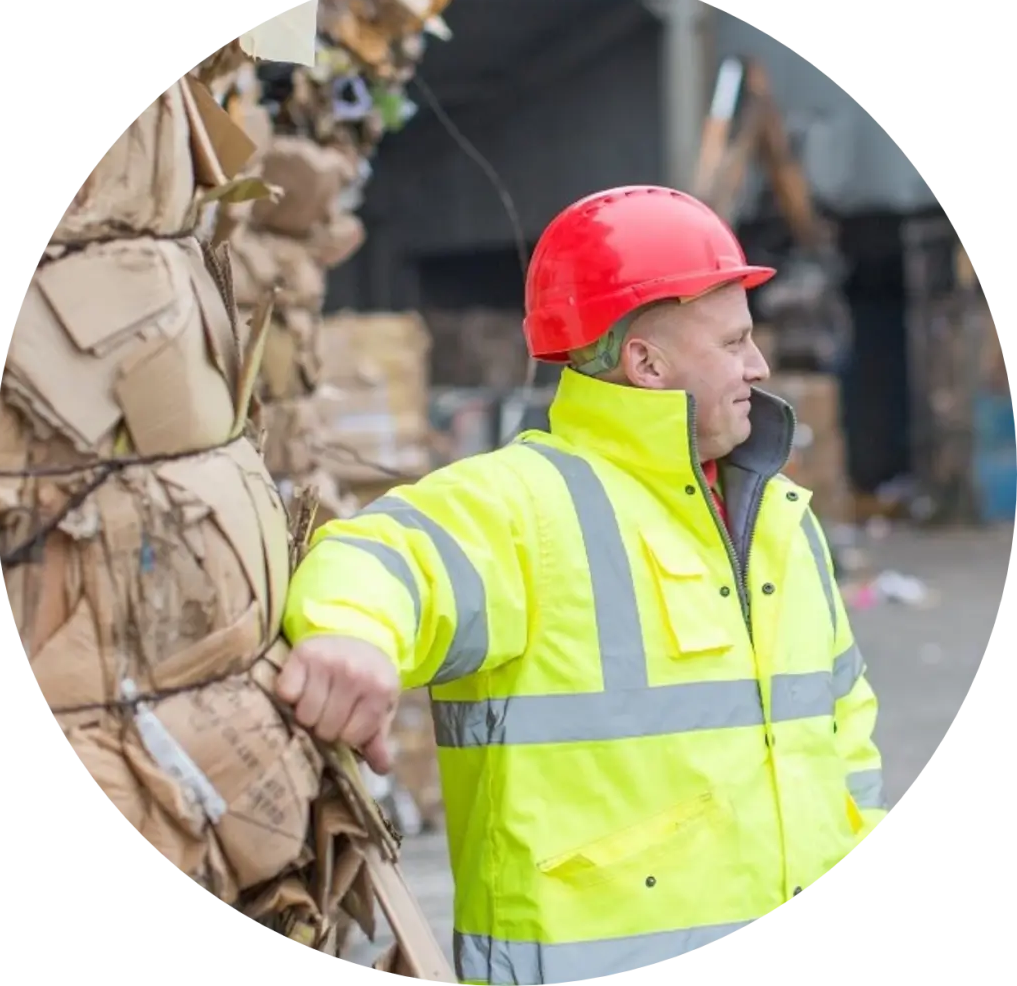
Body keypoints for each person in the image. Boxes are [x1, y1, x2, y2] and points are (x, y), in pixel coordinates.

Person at [278, 186, 888, 984]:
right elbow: (379, 557)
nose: (759, 364)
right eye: (735, 340)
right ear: (647, 362)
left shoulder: (781, 514)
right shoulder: (523, 505)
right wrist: (349, 635)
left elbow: (846, 732)